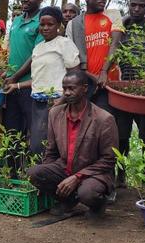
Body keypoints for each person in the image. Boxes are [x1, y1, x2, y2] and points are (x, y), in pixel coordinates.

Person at [26, 70, 118, 220]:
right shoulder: (55, 114)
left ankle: (98, 204)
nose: (67, 93)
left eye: (72, 88)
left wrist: (78, 177)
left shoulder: (103, 119)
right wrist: (47, 182)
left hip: (93, 173)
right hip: (64, 167)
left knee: (87, 193)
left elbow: (108, 160)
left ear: (84, 88)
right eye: (64, 88)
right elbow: (51, 152)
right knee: (33, 174)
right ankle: (68, 200)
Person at [4, 6, 79, 155]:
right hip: (38, 103)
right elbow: (39, 79)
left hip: (57, 102)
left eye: (50, 24)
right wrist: (16, 85)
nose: (45, 28)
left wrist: (63, 99)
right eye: (42, 24)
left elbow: (74, 77)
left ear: (59, 25)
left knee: (52, 145)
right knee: (37, 146)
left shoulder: (64, 44)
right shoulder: (38, 48)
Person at [112, 0, 145, 181]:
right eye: (133, 5)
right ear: (128, 5)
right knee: (121, 135)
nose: (136, 9)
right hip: (123, 89)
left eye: (141, 6)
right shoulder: (122, 27)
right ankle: (120, 175)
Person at [64, 0, 124, 111]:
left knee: (108, 122)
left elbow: (115, 43)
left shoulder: (113, 15)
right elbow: (72, 57)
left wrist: (103, 72)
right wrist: (92, 76)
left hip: (109, 82)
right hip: (85, 84)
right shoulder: (73, 24)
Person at [3, 0, 44, 136]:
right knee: (12, 130)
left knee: (33, 129)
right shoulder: (16, 21)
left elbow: (36, 54)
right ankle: (13, 161)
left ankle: (33, 160)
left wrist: (16, 76)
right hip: (11, 84)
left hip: (29, 84)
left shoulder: (42, 21)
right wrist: (7, 73)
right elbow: (13, 50)